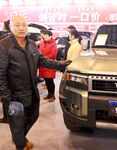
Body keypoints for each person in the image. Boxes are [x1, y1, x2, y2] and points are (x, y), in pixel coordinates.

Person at [0, 15, 71, 150]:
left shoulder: (32, 44)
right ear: (10, 27)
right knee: (17, 124)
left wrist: (62, 64)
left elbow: (43, 61)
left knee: (33, 115)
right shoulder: (3, 46)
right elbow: (0, 75)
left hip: (32, 91)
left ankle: (19, 138)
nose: (21, 28)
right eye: (17, 25)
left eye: (24, 25)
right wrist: (6, 98)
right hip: (14, 95)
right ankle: (20, 144)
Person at [38, 29, 58, 102]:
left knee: (50, 81)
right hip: (43, 65)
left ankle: (52, 95)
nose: (45, 37)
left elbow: (53, 55)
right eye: (44, 35)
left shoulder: (53, 44)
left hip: (50, 65)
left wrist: (43, 58)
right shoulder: (42, 43)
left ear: (50, 36)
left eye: (46, 35)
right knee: (46, 81)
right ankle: (49, 94)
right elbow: (39, 52)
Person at [0, 19, 11, 123]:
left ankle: (7, 117)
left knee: (5, 95)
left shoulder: (3, 38)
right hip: (11, 71)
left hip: (4, 70)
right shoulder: (12, 37)